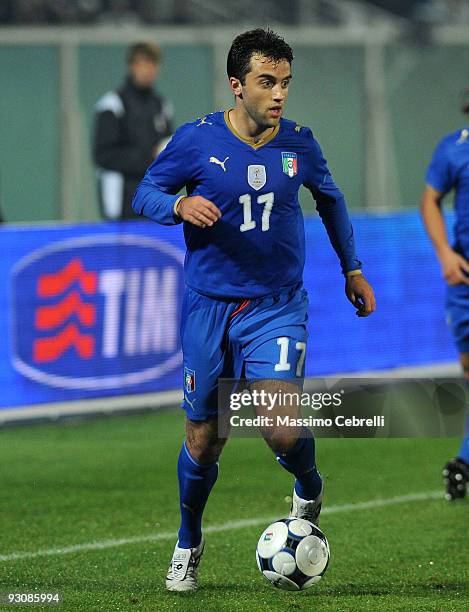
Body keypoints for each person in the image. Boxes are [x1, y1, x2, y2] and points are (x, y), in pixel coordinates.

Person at [133, 28, 376, 591]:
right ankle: (188, 541)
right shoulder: (195, 141)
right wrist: (177, 203)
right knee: (203, 438)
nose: (279, 95)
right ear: (237, 86)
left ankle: (309, 486)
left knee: (279, 428)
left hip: (275, 307)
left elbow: (332, 202)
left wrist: (352, 268)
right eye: (267, 82)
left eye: (286, 83)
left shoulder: (300, 144)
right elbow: (145, 192)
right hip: (208, 309)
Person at [421, 106, 469, 501]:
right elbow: (430, 201)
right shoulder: (454, 149)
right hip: (465, 280)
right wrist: (445, 255)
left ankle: (464, 460)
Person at [93, 41, 173, 220]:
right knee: (125, 248)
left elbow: (168, 147)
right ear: (132, 66)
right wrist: (149, 157)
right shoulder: (112, 103)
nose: (147, 70)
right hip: (121, 202)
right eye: (141, 63)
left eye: (152, 64)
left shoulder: (161, 105)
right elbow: (104, 156)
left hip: (154, 197)